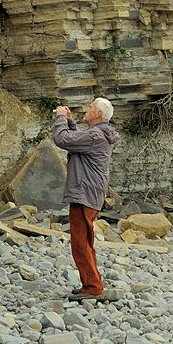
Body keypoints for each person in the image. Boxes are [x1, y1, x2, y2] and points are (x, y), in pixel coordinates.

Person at [52, 97, 120, 299]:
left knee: (81, 242)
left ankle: (93, 287)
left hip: (85, 194)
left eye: (90, 107)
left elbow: (62, 140)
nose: (87, 109)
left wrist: (62, 118)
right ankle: (91, 284)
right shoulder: (97, 134)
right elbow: (76, 141)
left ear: (98, 113)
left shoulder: (96, 136)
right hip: (88, 193)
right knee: (84, 241)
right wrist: (71, 123)